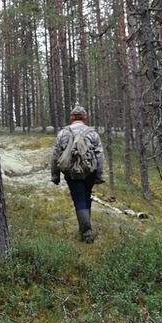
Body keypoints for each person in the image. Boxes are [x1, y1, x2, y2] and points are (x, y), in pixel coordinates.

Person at [50, 104, 104, 243]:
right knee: (86, 197)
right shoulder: (93, 133)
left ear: (72, 117)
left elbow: (56, 155)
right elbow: (99, 155)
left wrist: (55, 176)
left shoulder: (63, 133)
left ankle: (86, 233)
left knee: (79, 199)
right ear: (84, 118)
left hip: (71, 173)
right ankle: (85, 230)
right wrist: (98, 175)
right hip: (89, 172)